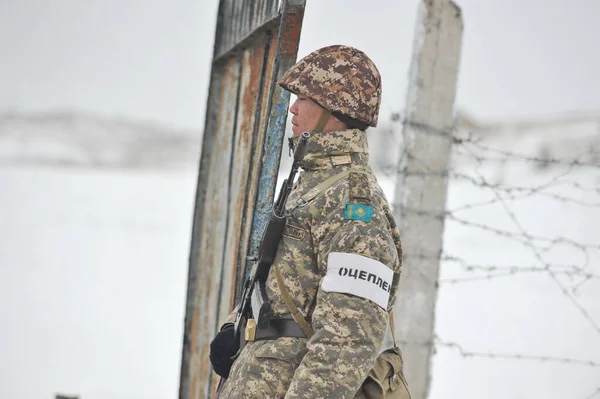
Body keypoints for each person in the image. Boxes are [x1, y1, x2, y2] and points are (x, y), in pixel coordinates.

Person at [210, 44, 410, 399]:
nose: (293, 108)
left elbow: (347, 341)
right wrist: (234, 327)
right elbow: (278, 287)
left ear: (335, 109)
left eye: (304, 98)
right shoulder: (312, 184)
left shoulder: (353, 203)